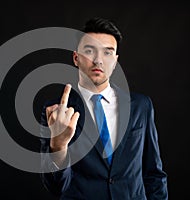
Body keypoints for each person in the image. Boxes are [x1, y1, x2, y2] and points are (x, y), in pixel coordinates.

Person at [40, 17, 168, 200]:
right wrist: (58, 145)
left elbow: (154, 174)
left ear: (115, 61)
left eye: (107, 53)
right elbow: (56, 187)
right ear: (76, 58)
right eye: (90, 51)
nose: (98, 60)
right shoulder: (56, 111)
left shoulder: (141, 106)